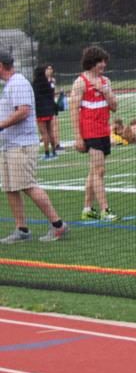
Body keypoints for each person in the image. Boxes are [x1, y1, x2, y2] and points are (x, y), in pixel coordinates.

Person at [0, 50, 67, 243]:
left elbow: (23, 111)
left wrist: (1, 125)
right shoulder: (10, 84)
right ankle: (21, 229)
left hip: (21, 145)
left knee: (28, 185)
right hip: (9, 144)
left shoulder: (18, 82)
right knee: (10, 188)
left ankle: (58, 225)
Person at [69, 46, 119, 221]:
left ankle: (87, 208)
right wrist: (78, 137)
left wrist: (105, 90)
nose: (103, 64)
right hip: (90, 132)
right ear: (91, 63)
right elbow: (73, 110)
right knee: (99, 170)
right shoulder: (80, 82)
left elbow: (114, 106)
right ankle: (105, 210)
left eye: (105, 61)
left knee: (94, 170)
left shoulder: (106, 81)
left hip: (104, 131)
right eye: (100, 62)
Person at [31, 65, 59, 159]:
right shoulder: (47, 83)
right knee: (50, 131)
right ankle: (54, 152)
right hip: (49, 111)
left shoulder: (34, 85)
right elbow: (51, 96)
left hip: (40, 112)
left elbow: (34, 98)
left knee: (44, 133)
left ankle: (47, 154)